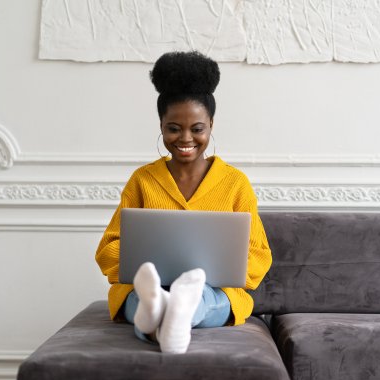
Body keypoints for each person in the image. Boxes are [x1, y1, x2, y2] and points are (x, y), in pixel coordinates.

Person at [95, 51, 272, 354]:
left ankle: (167, 313)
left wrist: (220, 272)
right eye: (173, 128)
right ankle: (165, 309)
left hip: (212, 290)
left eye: (197, 128)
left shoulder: (234, 183)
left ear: (211, 124)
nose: (185, 138)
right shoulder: (143, 180)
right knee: (140, 297)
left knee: (202, 297)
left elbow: (258, 253)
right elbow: (110, 246)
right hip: (148, 286)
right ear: (161, 125)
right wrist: (138, 270)